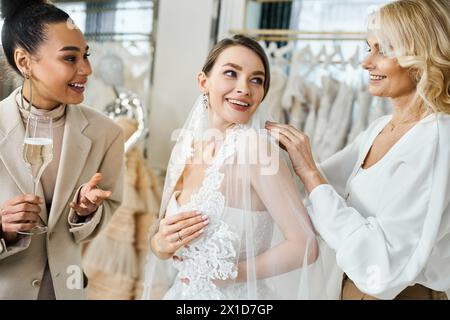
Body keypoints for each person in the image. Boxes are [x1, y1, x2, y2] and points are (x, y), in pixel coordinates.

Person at [266, 0, 450, 300]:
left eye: (384, 50)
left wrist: (310, 171)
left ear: (421, 56)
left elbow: (383, 265)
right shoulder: (379, 128)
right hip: (349, 288)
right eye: (369, 48)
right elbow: (312, 194)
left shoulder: (438, 139)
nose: (366, 62)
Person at [142, 35, 324, 300]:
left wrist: (232, 274)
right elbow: (163, 238)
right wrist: (160, 244)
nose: (244, 89)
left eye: (256, 80)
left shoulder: (255, 148)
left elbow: (305, 245)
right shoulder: (190, 146)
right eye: (231, 73)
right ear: (203, 82)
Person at [0, 0, 124, 299]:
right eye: (70, 58)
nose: (87, 69)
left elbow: (100, 220)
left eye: (86, 56)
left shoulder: (106, 133)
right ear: (25, 62)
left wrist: (85, 213)